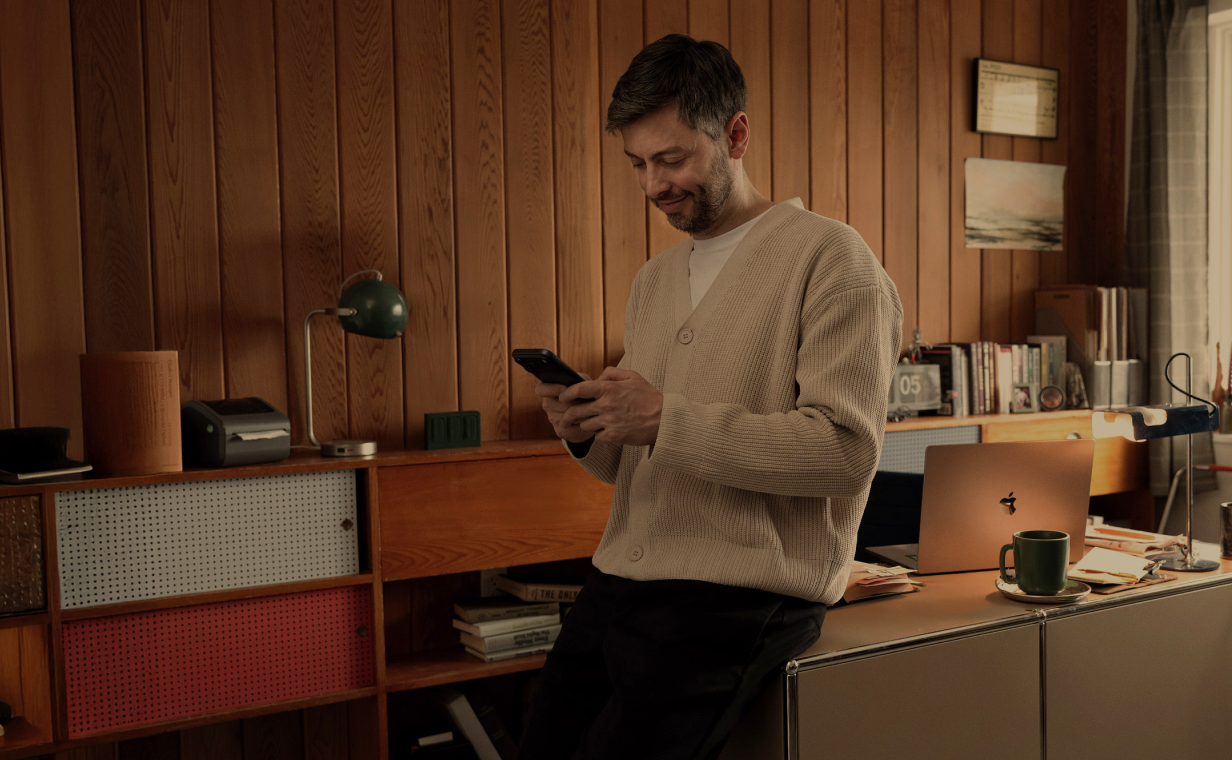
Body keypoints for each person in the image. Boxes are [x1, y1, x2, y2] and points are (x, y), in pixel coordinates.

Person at [517, 34, 902, 759]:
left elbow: (845, 454)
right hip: (620, 579)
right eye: (637, 163)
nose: (652, 184)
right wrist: (587, 430)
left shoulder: (832, 259)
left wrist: (664, 418)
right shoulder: (654, 281)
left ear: (736, 134)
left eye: (671, 158)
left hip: (738, 595)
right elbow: (635, 462)